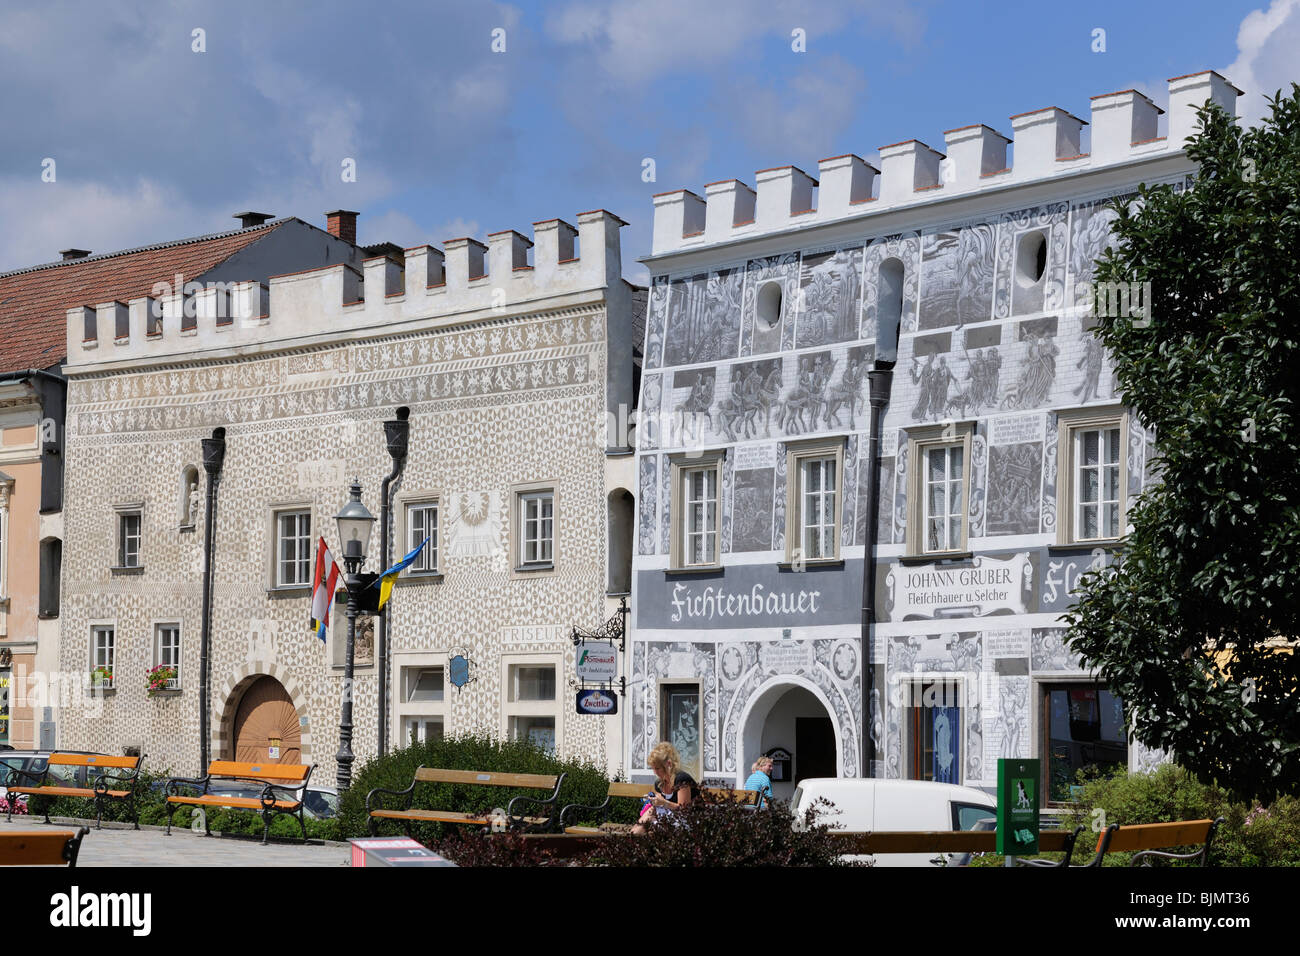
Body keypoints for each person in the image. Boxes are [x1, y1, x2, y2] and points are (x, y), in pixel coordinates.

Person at [630, 742, 700, 835]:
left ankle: (633, 839)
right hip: (670, 819)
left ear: (668, 764)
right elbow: (660, 804)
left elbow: (684, 809)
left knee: (649, 823)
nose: (655, 772)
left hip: (689, 821)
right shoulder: (659, 783)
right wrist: (655, 802)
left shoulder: (681, 779)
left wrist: (664, 803)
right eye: (653, 768)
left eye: (657, 768)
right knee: (646, 817)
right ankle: (631, 838)